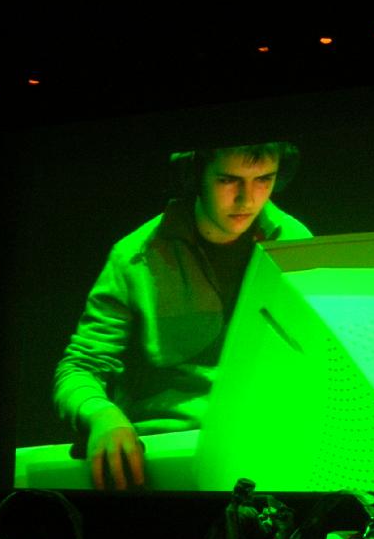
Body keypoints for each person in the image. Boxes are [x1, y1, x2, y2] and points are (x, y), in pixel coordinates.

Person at [54, 141, 312, 490]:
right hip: (169, 453)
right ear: (194, 175)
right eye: (228, 180)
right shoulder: (135, 258)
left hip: (266, 446)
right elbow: (79, 367)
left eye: (264, 179)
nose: (247, 199)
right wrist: (102, 415)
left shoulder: (296, 242)